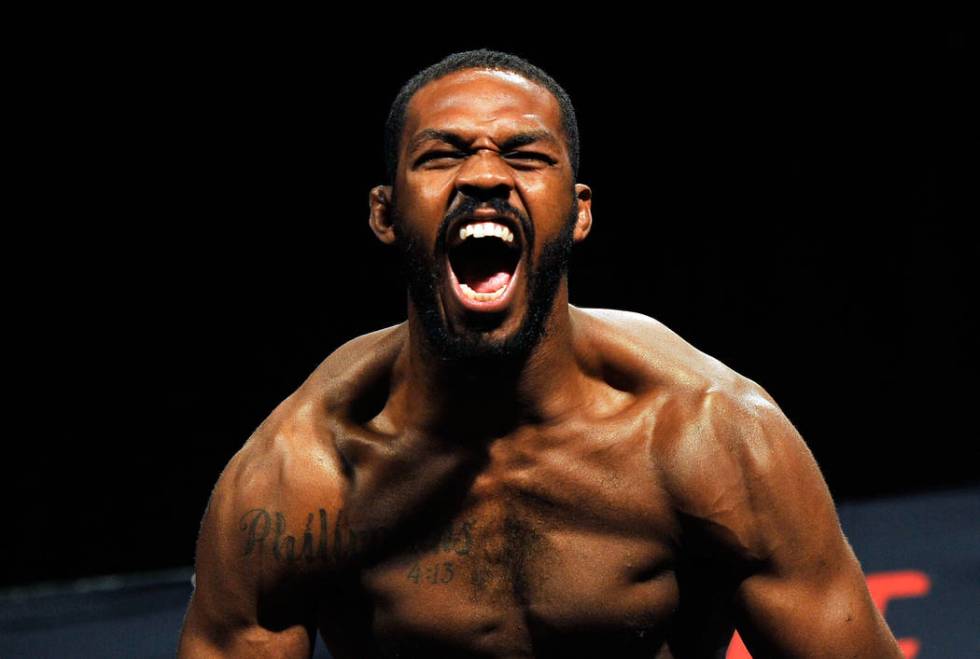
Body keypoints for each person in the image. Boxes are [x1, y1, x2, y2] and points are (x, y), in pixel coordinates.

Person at [177, 49, 903, 658]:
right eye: (442, 155)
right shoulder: (298, 478)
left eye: (525, 155)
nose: (486, 176)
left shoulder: (710, 435)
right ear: (385, 214)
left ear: (580, 211)